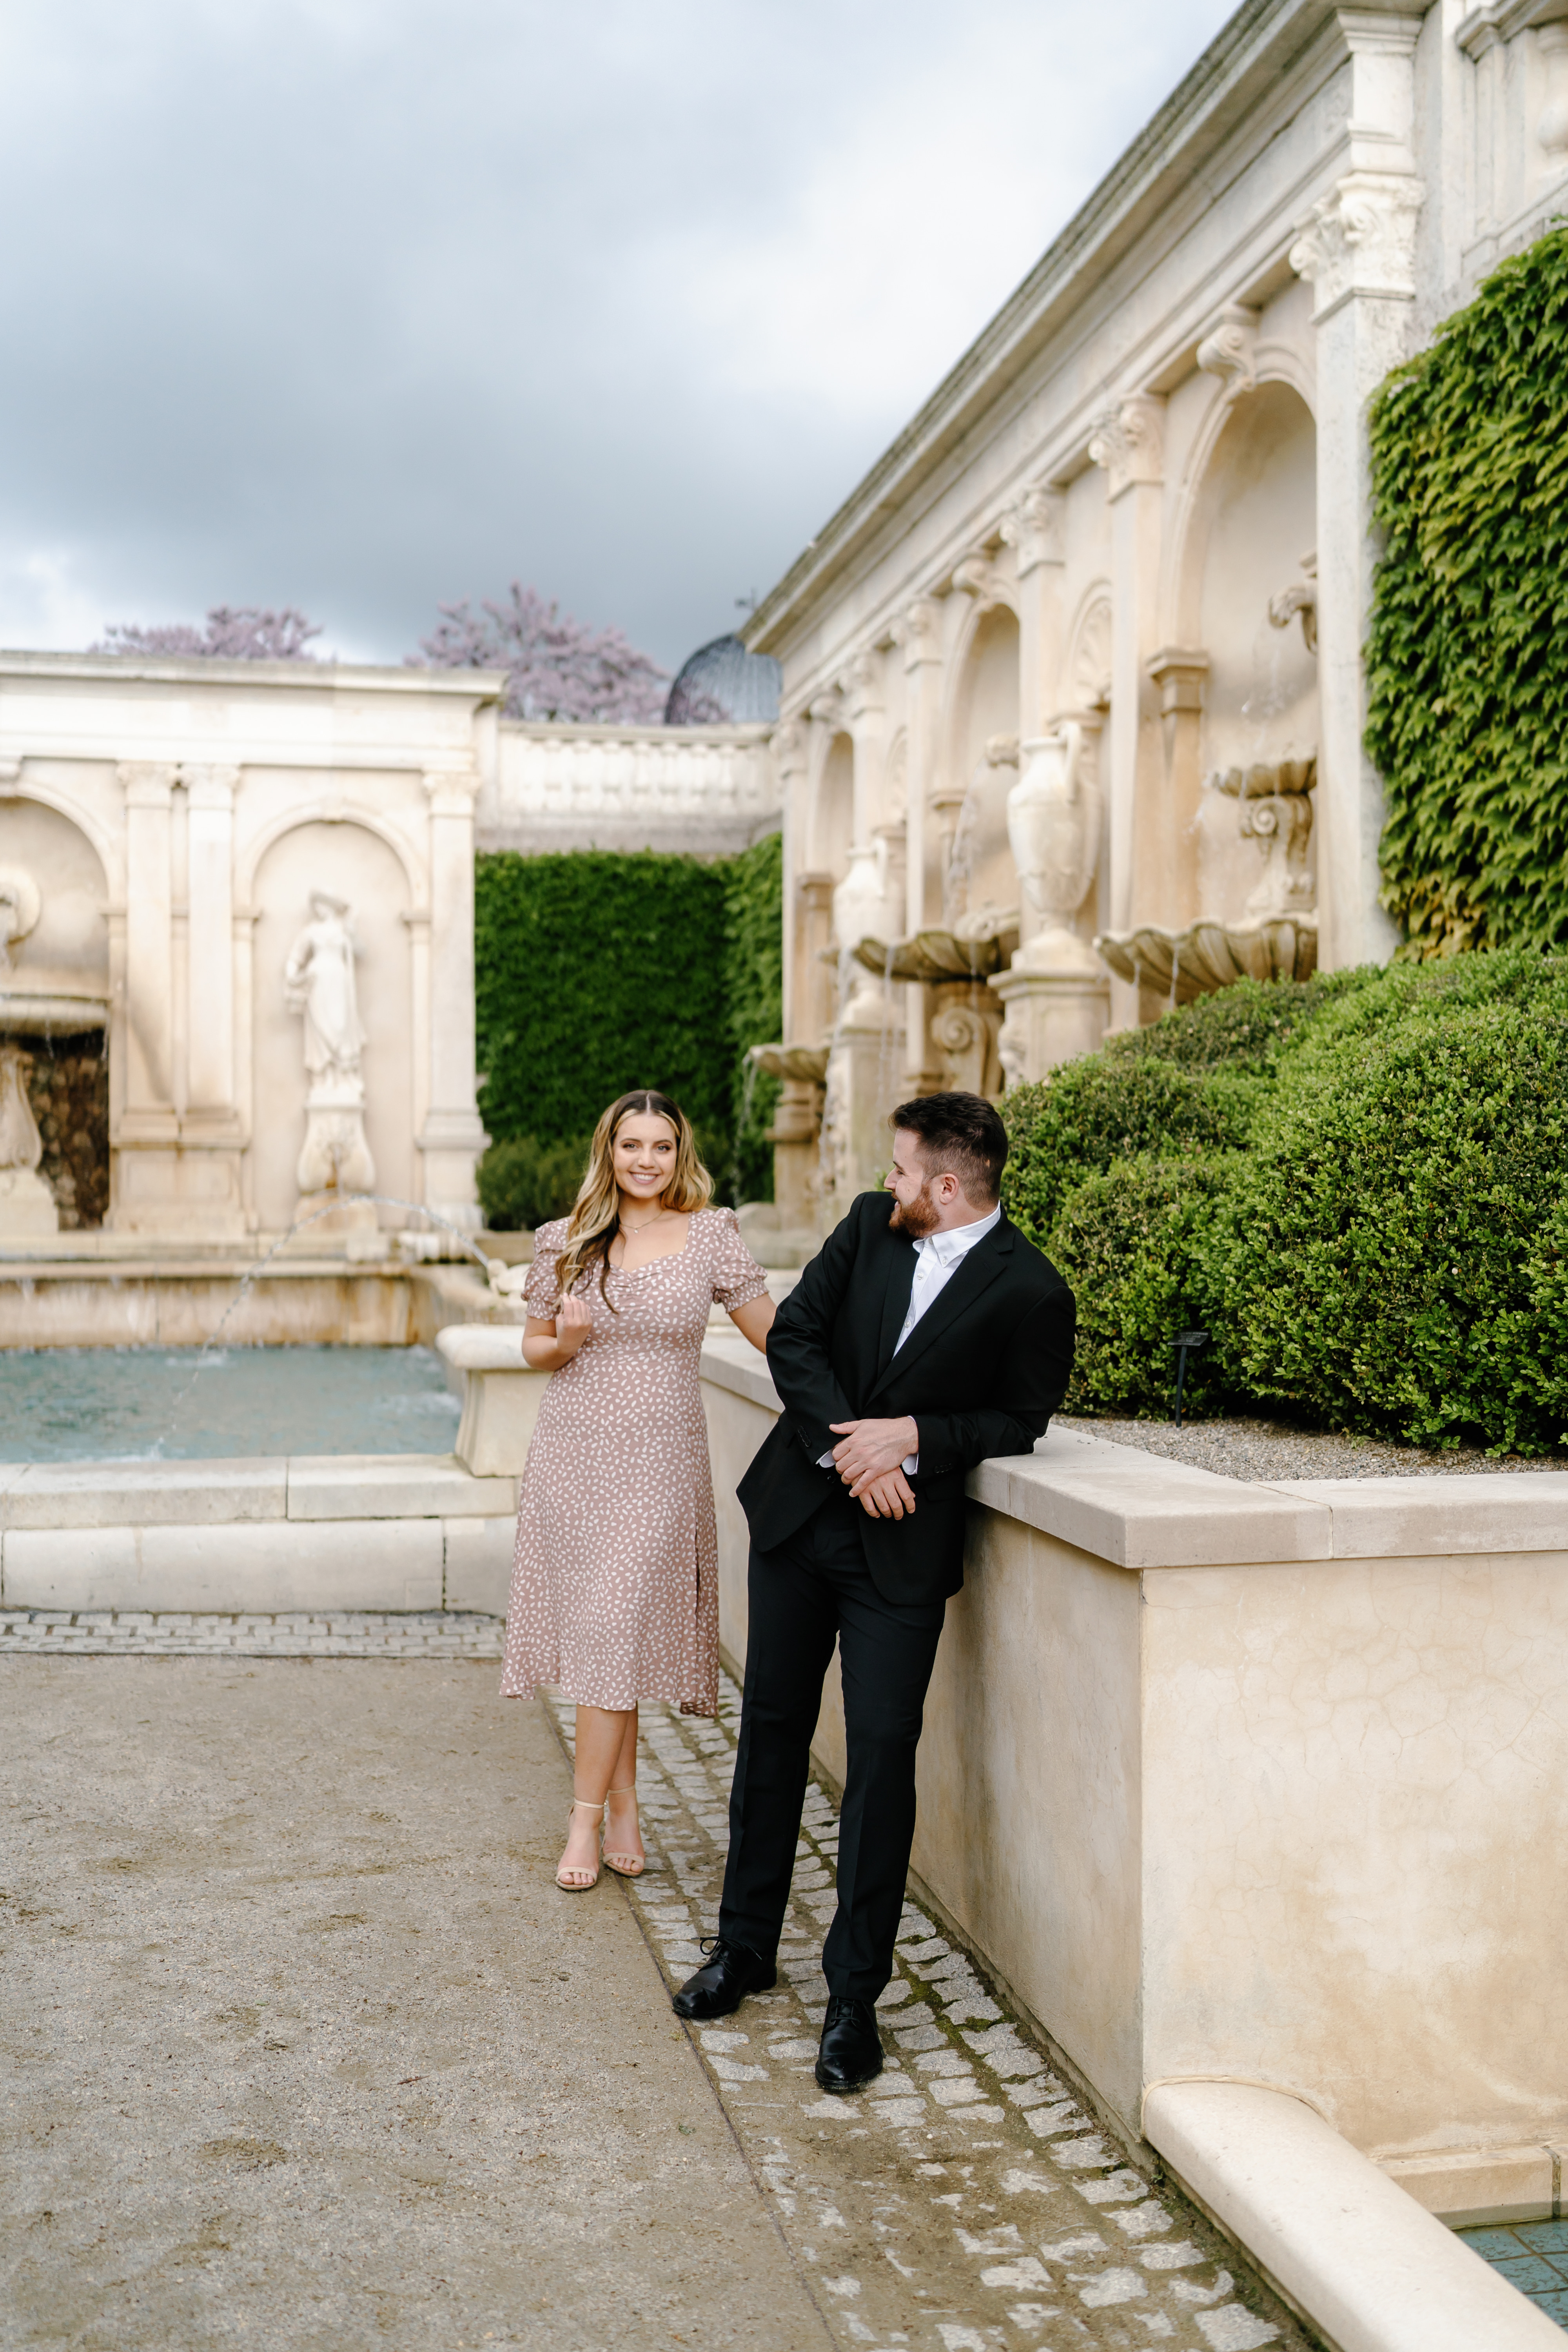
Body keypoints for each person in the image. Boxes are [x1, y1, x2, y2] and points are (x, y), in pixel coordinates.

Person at [671, 1091, 1075, 2095]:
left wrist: (921, 1439)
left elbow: (1019, 1418)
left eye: (901, 1171)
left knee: (882, 1764)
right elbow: (795, 1340)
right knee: (770, 1730)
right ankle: (744, 1948)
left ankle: (854, 1998)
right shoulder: (865, 1226)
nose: (884, 1182)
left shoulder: (1034, 1291)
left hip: (901, 1555)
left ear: (946, 1186)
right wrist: (855, 1449)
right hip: (801, 1524)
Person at [501, 1090, 775, 1891]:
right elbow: (533, 1349)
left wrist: (855, 1386)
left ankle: (581, 1823)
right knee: (600, 1637)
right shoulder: (565, 1239)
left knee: (614, 1625)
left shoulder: (710, 1236)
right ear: (608, 1150)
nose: (645, 1161)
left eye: (660, 1146)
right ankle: (622, 1808)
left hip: (658, 1463)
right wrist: (568, 1340)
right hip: (572, 1456)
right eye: (631, 1146)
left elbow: (776, 1334)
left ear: (678, 1153)